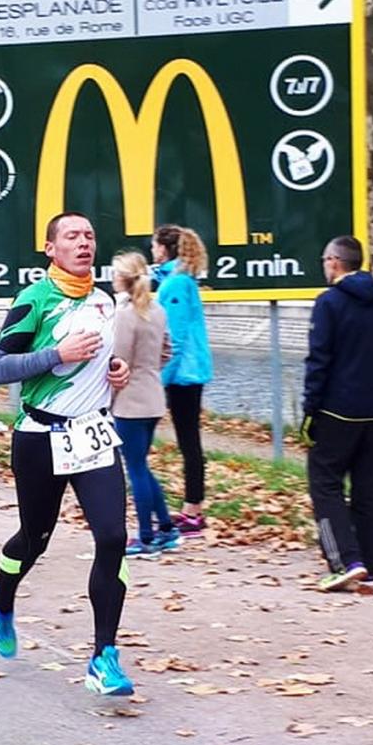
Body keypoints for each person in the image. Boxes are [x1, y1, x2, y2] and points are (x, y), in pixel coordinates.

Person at [0, 212, 134, 697]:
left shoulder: (104, 301)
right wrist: (57, 354)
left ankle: (103, 656)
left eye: (89, 235)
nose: (84, 242)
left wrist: (116, 373)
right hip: (40, 435)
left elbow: (100, 364)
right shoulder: (34, 300)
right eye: (72, 236)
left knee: (113, 537)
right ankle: (2, 597)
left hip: (93, 433)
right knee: (35, 538)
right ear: (51, 249)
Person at [301, 235, 373, 591]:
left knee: (324, 483)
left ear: (334, 262)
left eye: (325, 260)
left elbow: (319, 361)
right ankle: (369, 564)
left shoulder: (329, 303)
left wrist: (310, 410)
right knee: (367, 487)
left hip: (336, 410)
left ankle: (344, 561)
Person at [111, 250, 178, 557]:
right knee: (142, 465)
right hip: (153, 396)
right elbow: (167, 351)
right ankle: (166, 528)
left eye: (114, 274)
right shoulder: (158, 310)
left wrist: (108, 399)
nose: (111, 279)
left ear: (123, 279)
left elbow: (118, 363)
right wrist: (149, 369)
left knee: (135, 468)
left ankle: (146, 537)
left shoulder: (124, 315)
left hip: (129, 400)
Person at [152, 225, 213, 536]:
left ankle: (193, 510)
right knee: (189, 440)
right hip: (187, 373)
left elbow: (172, 340)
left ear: (164, 249)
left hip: (183, 376)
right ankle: (192, 507)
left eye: (154, 246)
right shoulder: (179, 280)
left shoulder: (175, 284)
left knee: (189, 441)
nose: (152, 251)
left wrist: (158, 379)